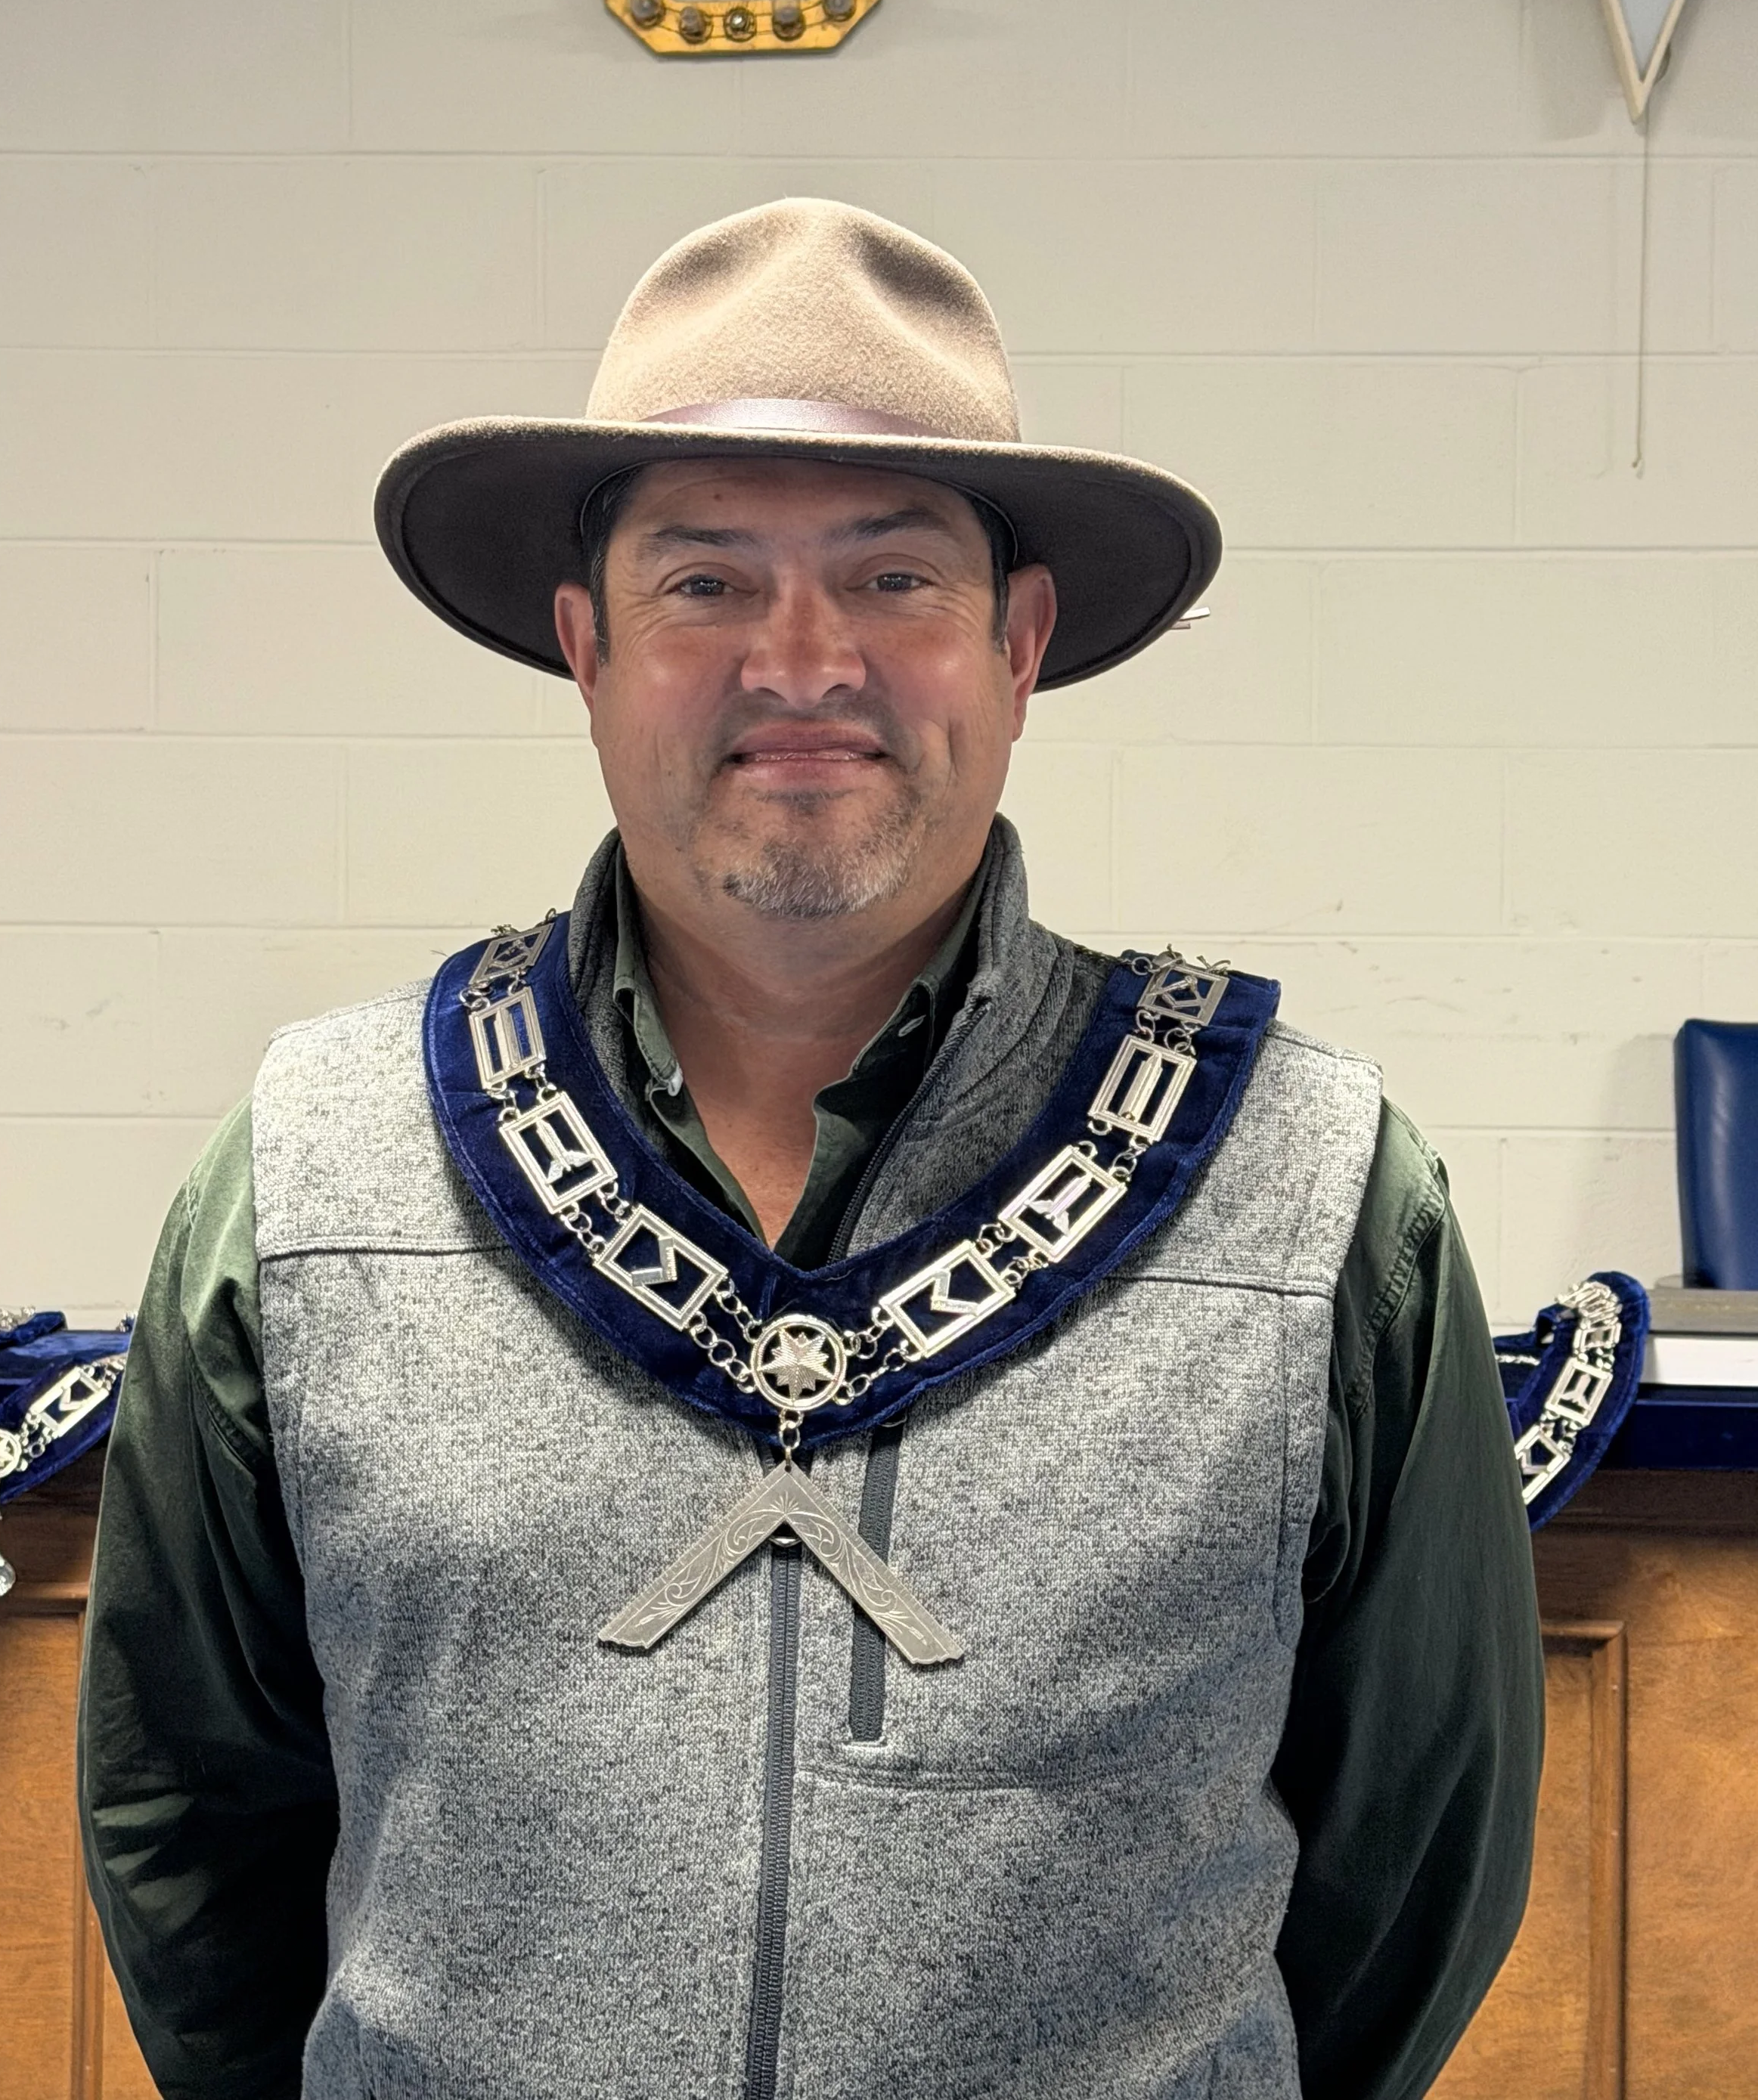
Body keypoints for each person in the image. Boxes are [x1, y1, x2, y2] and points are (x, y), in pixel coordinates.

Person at [79, 198, 1543, 2100]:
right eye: (703, 582)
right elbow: (195, 1827)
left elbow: (1410, 1867)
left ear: (1018, 643)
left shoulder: (1318, 1198)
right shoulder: (305, 1182)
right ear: (585, 646)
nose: (799, 661)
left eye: (891, 579)